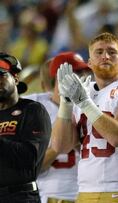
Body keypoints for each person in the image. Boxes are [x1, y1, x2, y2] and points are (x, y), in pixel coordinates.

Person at [51, 32, 118, 203]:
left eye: (112, 52)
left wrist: (85, 103)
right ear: (89, 63)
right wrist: (66, 104)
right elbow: (61, 147)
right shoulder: (82, 89)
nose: (105, 56)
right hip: (84, 191)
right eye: (99, 52)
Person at [23, 52, 91, 203]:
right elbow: (27, 169)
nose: (83, 77)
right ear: (60, 76)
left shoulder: (91, 104)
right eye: (76, 72)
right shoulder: (33, 107)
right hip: (51, 195)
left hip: (89, 194)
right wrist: (60, 143)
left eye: (82, 72)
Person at [0, 52, 51, 202]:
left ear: (15, 78)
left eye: (1, 75)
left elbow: (30, 159)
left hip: (20, 196)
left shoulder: (32, 110)